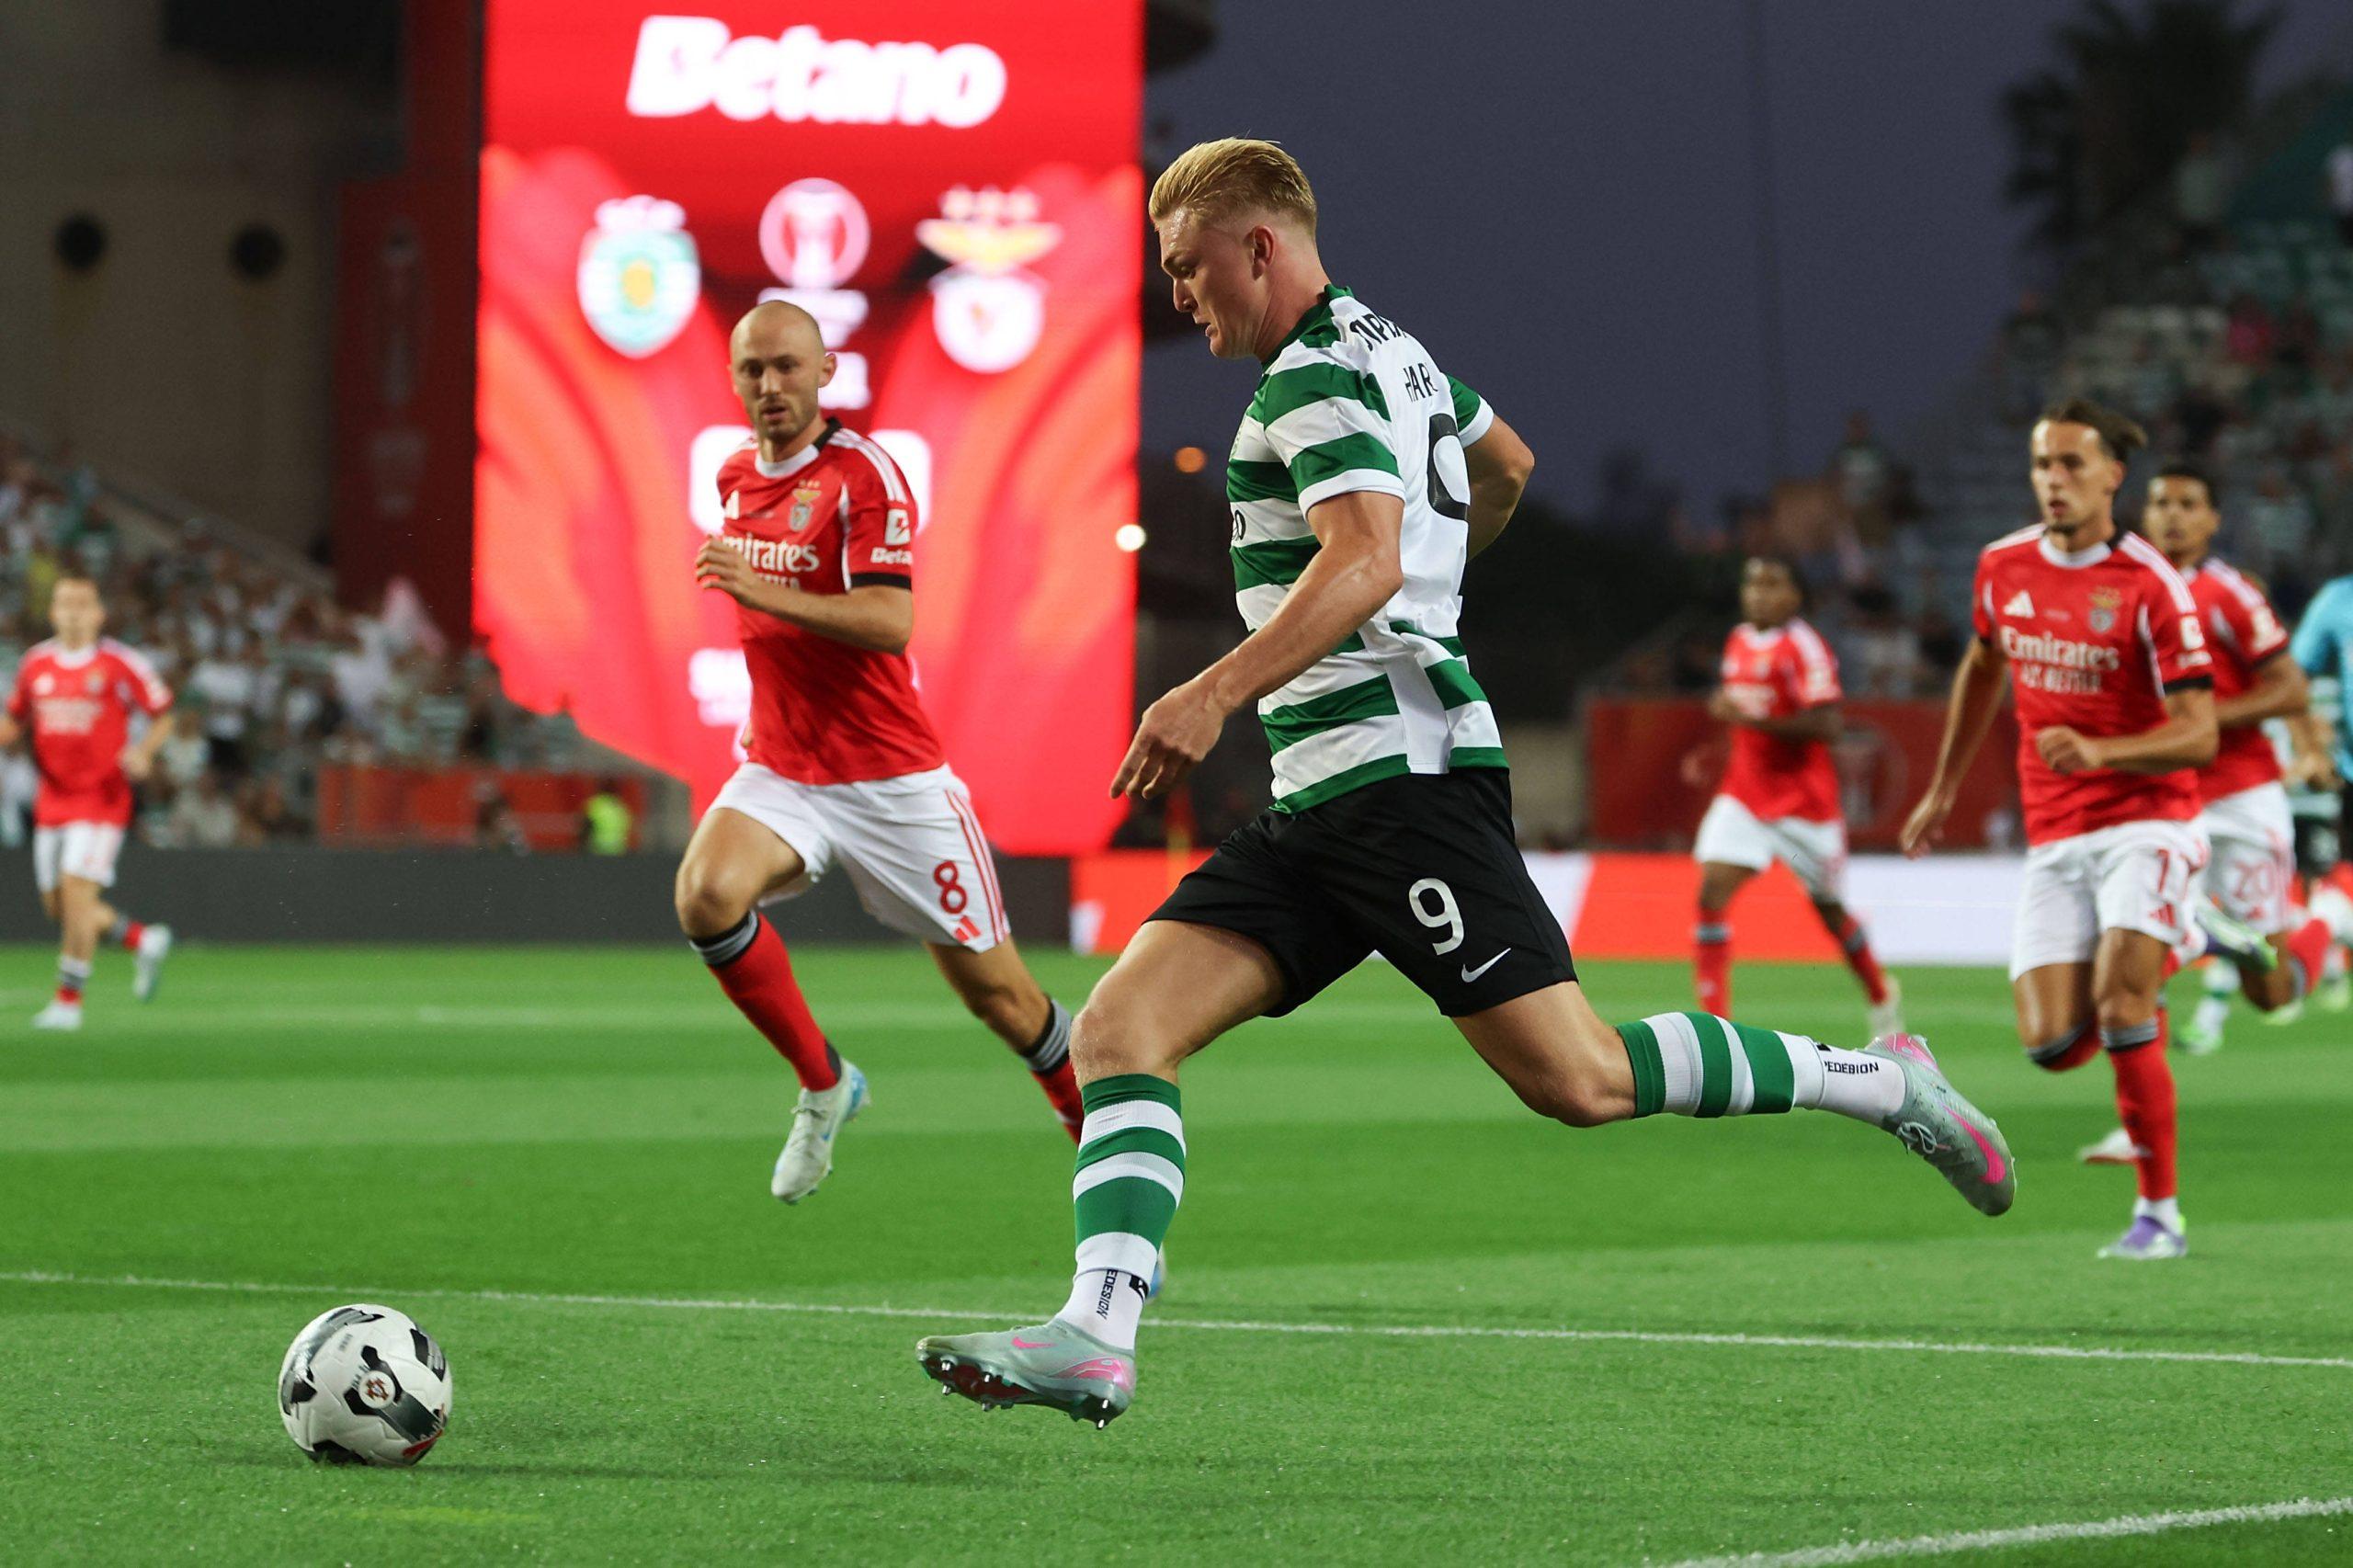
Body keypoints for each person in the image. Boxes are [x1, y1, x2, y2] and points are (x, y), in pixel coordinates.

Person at [915, 138, 2012, 1429]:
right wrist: (1430, 589)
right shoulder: (1400, 350)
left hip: (1403, 787)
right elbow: (1509, 466)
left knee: (1581, 1078)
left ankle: (1886, 1079)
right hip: (1327, 796)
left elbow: (1368, 558)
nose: (1178, 296)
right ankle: (1095, 1334)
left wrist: (1214, 686)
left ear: (1258, 245)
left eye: (1186, 266)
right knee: (1117, 1031)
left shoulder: (1313, 382)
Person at [676, 301, 1086, 1203]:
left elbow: (889, 619)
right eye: (752, 370)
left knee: (1005, 1003)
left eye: (787, 366)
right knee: (705, 894)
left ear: (825, 373)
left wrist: (762, 591)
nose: (769, 385)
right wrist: (764, 705)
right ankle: (824, 1083)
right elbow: (768, 632)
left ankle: (1102, 1156)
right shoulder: (737, 474)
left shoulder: (865, 474)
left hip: (893, 782)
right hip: (787, 765)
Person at [1903, 401, 2213, 1261]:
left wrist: (2105, 747)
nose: (2054, 480)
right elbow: (1982, 663)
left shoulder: (2152, 584)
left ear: (2114, 475)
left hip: (2149, 823)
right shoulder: (2002, 565)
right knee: (2048, 1044)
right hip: (2057, 833)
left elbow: (2201, 732)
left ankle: (2160, 1216)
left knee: (2123, 1007)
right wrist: (1942, 787)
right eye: (2044, 464)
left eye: (2073, 465)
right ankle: (2187, 937)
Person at [2124, 463, 2336, 1063]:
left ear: (2214, 519)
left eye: (2189, 504)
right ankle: (2141, 1116)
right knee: (2135, 954)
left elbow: (2290, 689)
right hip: (2165, 799)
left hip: (2241, 799)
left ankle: (2327, 920)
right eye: (2162, 502)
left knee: (2270, 992)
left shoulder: (2230, 593)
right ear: (2145, 515)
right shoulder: (2128, 592)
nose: (2173, 515)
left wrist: (2208, 720)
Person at [1693, 555, 1901, 1035]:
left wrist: (1749, 720)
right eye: (1752, 584)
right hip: (1744, 796)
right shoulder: (1739, 640)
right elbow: (1738, 712)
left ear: (1795, 596)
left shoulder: (1805, 648)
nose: (1759, 594)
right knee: (1711, 891)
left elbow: (1828, 724)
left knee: (1829, 910)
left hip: (1804, 807)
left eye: (1772, 585)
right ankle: (1715, 1028)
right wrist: (1713, 747)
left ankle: (1879, 991)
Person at [0, 577, 176, 1028]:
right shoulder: (35, 663)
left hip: (102, 798)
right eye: (64, 604)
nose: (73, 612)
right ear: (52, 612)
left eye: (83, 604)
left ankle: (67, 1001)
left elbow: (162, 714)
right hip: (53, 797)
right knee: (58, 906)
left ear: (100, 613)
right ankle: (141, 939)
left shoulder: (120, 663)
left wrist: (143, 752)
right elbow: (14, 721)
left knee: (77, 892)